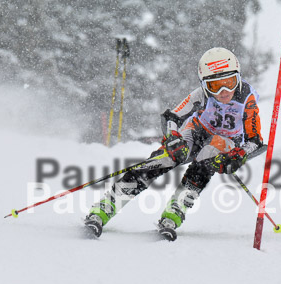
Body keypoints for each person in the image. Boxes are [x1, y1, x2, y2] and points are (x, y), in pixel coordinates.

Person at [83, 47, 263, 241]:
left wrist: (239, 155)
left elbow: (255, 140)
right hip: (197, 131)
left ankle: (174, 213)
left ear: (238, 77)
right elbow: (171, 117)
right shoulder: (200, 94)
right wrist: (173, 138)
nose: (223, 91)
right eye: (214, 86)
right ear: (204, 85)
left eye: (229, 82)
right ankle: (105, 208)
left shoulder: (246, 99)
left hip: (227, 140)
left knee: (205, 162)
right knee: (164, 159)